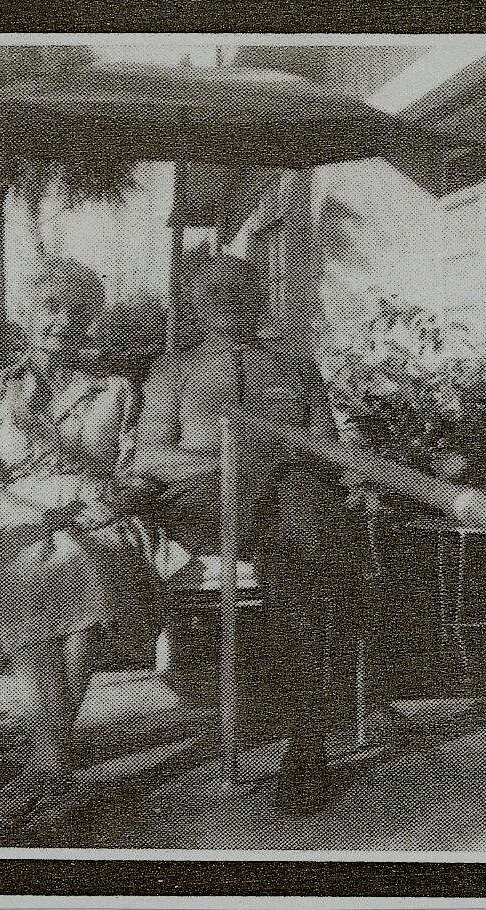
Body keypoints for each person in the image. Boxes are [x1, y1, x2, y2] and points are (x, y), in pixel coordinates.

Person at [132, 253, 379, 816]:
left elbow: (327, 447)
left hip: (274, 511)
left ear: (255, 303)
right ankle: (230, 719)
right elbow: (146, 460)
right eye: (211, 301)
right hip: (200, 513)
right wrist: (212, 466)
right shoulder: (174, 376)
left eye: (238, 300)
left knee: (305, 557)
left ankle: (306, 751)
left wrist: (295, 479)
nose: (227, 314)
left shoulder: (292, 368)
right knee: (292, 547)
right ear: (195, 307)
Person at [0, 256, 163, 837]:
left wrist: (71, 478)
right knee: (28, 559)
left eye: (71, 314)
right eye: (45, 313)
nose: (56, 327)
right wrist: (19, 507)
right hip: (8, 520)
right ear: (26, 322)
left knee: (87, 560)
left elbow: (118, 468)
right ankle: (53, 754)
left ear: (90, 324)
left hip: (88, 515)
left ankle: (51, 749)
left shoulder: (116, 391)